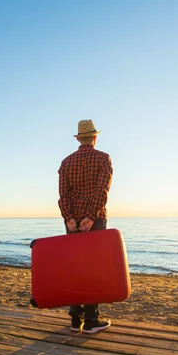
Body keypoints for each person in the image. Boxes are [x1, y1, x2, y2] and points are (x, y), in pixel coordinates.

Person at [58, 119, 114, 334]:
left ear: (79, 139)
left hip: (71, 221)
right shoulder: (103, 158)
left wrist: (70, 218)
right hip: (96, 219)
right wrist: (91, 217)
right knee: (93, 267)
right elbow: (102, 190)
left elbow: (64, 195)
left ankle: (75, 319)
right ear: (95, 138)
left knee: (75, 266)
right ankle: (91, 320)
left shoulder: (66, 162)